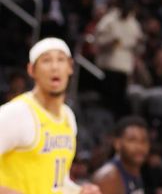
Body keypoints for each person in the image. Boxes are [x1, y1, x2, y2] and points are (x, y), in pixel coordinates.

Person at [0, 38, 101, 194]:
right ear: (31, 70)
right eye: (46, 60)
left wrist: (79, 191)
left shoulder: (68, 116)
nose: (55, 67)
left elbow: (58, 181)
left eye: (61, 60)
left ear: (70, 67)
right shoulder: (16, 113)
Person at [91, 116, 149, 194]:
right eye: (132, 140)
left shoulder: (134, 169)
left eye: (143, 140)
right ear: (117, 143)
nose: (139, 146)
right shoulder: (108, 179)